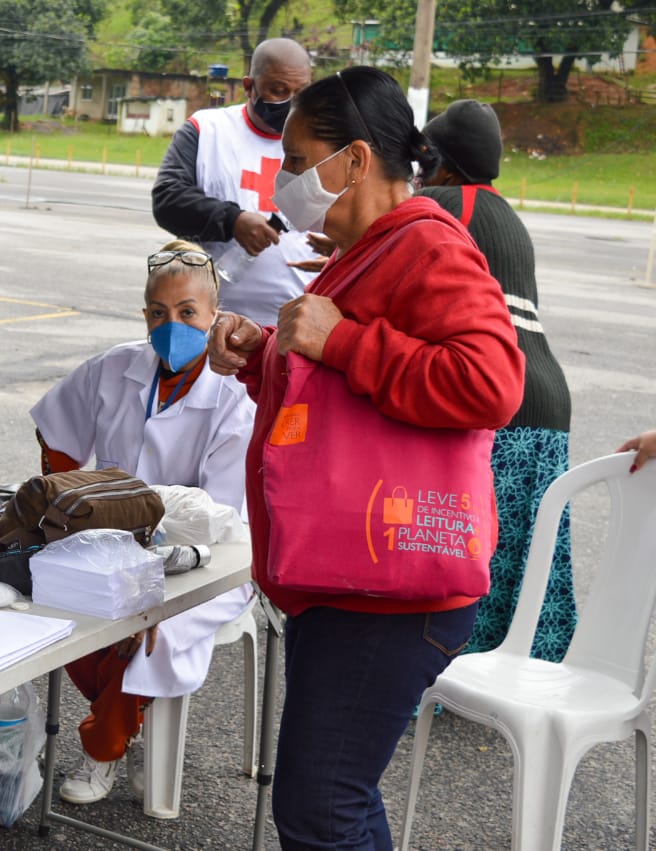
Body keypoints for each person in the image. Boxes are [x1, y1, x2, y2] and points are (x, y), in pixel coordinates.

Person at [206, 67, 524, 848]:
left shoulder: (425, 245)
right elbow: (341, 395)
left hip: (391, 586)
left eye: (296, 159)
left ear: (353, 160)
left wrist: (343, 339)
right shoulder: (369, 247)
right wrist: (263, 353)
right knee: (332, 799)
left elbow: (491, 383)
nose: (282, 180)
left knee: (323, 806)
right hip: (357, 572)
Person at [31, 238, 256, 805]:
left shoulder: (236, 395)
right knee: (53, 597)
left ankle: (104, 742)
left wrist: (155, 561)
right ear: (144, 314)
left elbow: (222, 517)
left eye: (187, 312)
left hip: (211, 558)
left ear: (215, 316)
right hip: (111, 541)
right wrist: (66, 499)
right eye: (158, 312)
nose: (171, 325)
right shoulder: (115, 367)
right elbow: (57, 433)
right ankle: (135, 716)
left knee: (156, 627)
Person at [417, 99, 576, 662]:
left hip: (499, 399)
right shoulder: (507, 215)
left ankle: (447, 670)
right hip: (547, 404)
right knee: (525, 553)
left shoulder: (440, 203)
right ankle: (519, 671)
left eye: (424, 159)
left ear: (441, 163)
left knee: (468, 548)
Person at [152, 37, 322, 327]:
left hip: (297, 325)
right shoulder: (207, 130)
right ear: (249, 86)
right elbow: (168, 200)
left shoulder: (326, 141)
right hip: (212, 322)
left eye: (301, 92)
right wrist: (233, 221)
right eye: (278, 90)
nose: (290, 102)